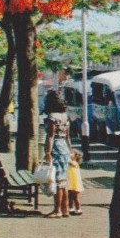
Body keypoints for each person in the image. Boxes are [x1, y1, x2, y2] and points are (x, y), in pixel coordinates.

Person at [42, 89, 72, 218]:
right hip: (64, 149)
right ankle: (65, 209)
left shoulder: (52, 117)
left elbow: (50, 136)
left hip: (56, 148)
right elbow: (68, 137)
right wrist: (70, 151)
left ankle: (57, 210)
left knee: (58, 181)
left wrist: (48, 152)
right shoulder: (65, 116)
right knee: (63, 181)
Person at [67, 149, 84, 215]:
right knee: (70, 196)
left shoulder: (74, 163)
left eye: (71, 153)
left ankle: (78, 209)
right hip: (71, 183)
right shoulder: (71, 163)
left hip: (75, 184)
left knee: (75, 197)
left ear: (76, 156)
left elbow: (68, 161)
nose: (69, 154)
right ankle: (71, 208)